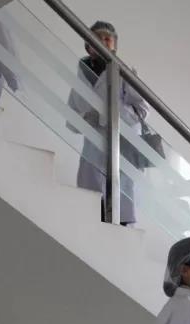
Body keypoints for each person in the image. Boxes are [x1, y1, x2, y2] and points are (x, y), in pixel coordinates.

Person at [67, 21, 148, 225]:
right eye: (96, 38)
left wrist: (108, 113)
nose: (102, 42)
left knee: (121, 206)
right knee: (92, 205)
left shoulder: (124, 72)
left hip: (121, 146)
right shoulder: (81, 73)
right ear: (88, 44)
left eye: (107, 38)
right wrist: (86, 119)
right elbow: (71, 116)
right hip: (92, 146)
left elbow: (142, 110)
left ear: (114, 45)